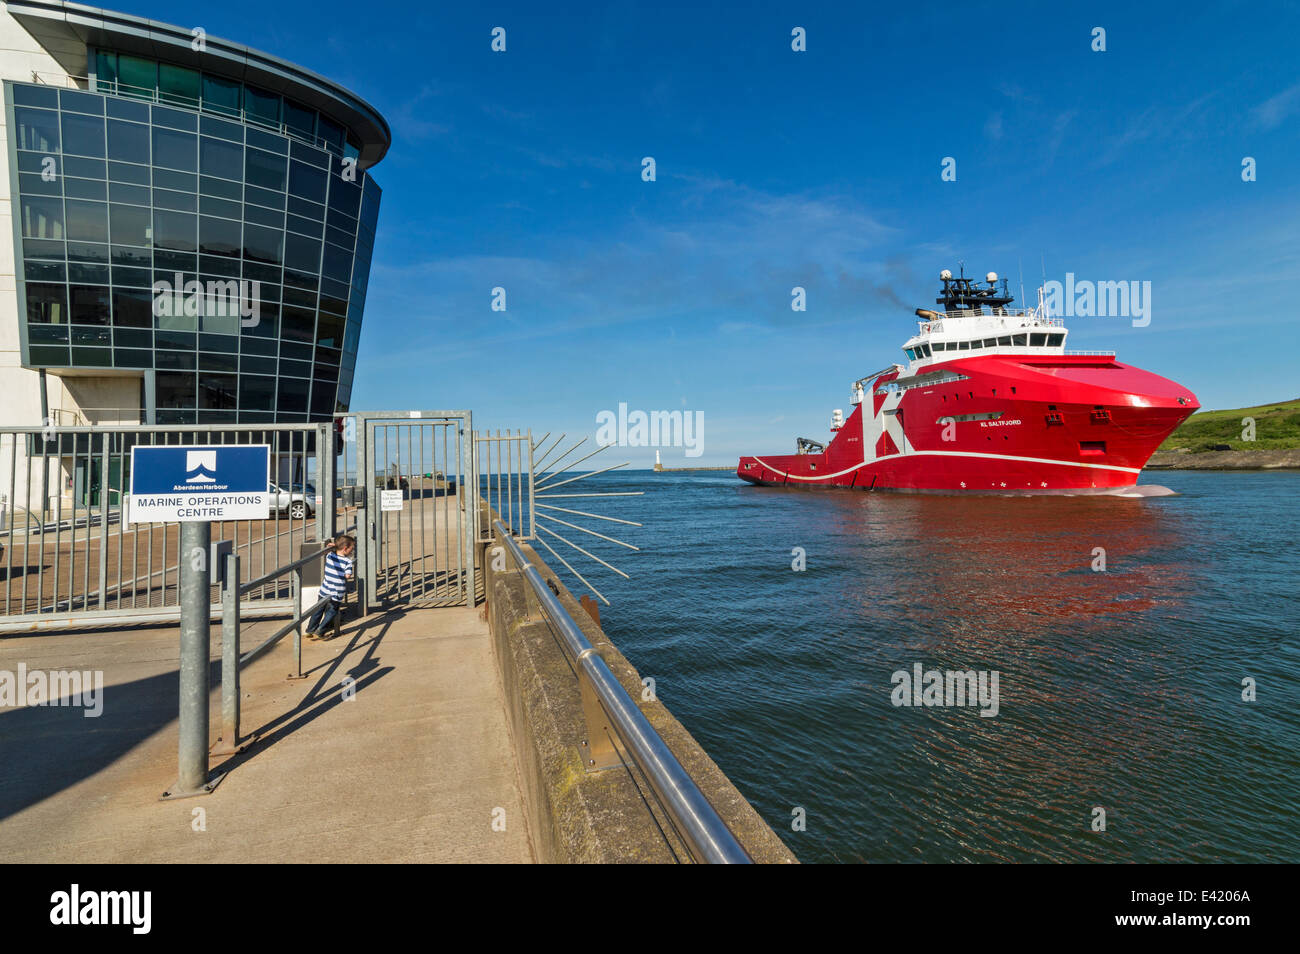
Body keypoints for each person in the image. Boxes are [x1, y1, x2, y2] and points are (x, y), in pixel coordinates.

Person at [306, 534, 355, 640]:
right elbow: (347, 575)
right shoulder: (348, 561)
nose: (352, 551)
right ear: (345, 549)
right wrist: (347, 573)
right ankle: (321, 630)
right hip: (337, 591)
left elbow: (329, 548)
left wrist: (334, 546)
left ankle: (310, 629)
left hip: (325, 589)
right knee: (332, 611)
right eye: (351, 549)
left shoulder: (330, 556)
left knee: (318, 610)